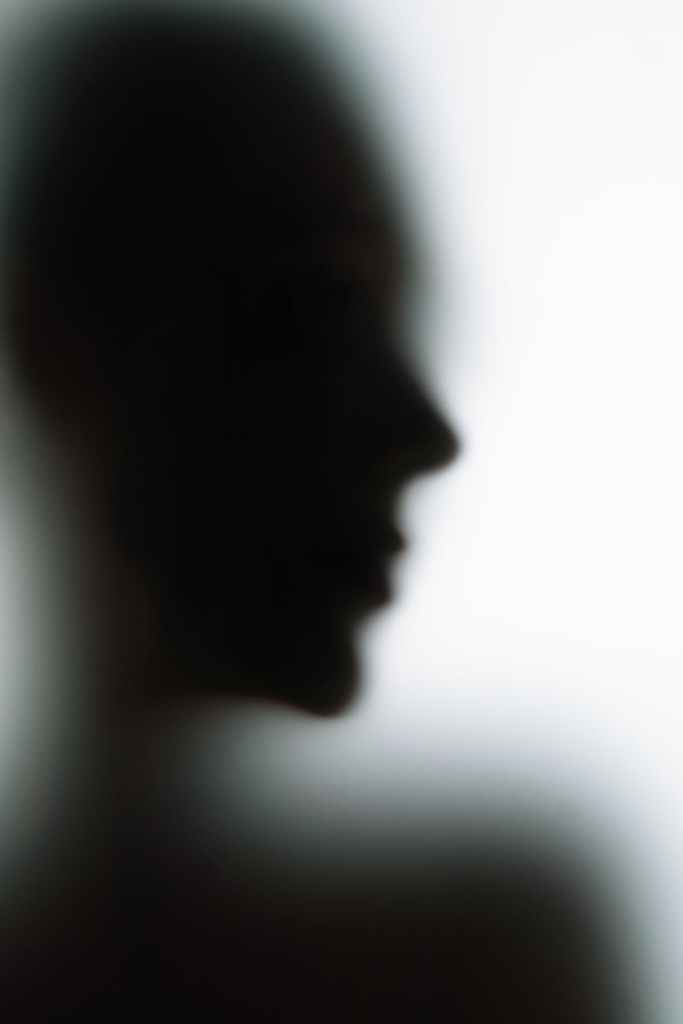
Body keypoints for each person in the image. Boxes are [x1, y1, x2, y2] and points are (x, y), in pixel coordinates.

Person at [0, 2, 636, 1019]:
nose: (427, 433)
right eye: (311, 317)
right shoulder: (474, 960)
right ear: (53, 350)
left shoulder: (487, 944)